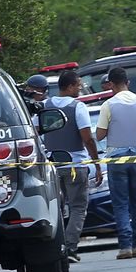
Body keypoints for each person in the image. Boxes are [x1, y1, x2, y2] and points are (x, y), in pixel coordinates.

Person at [45, 71, 103, 261]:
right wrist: (96, 163)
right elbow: (87, 138)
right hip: (75, 165)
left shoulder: (45, 105)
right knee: (78, 207)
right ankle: (70, 248)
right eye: (78, 85)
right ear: (69, 87)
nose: (79, 88)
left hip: (51, 166)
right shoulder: (78, 107)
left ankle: (56, 247)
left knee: (57, 209)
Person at [96, 66, 136, 259]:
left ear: (111, 85)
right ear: (128, 82)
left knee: (120, 204)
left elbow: (100, 134)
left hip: (116, 159)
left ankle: (125, 246)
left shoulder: (108, 105)